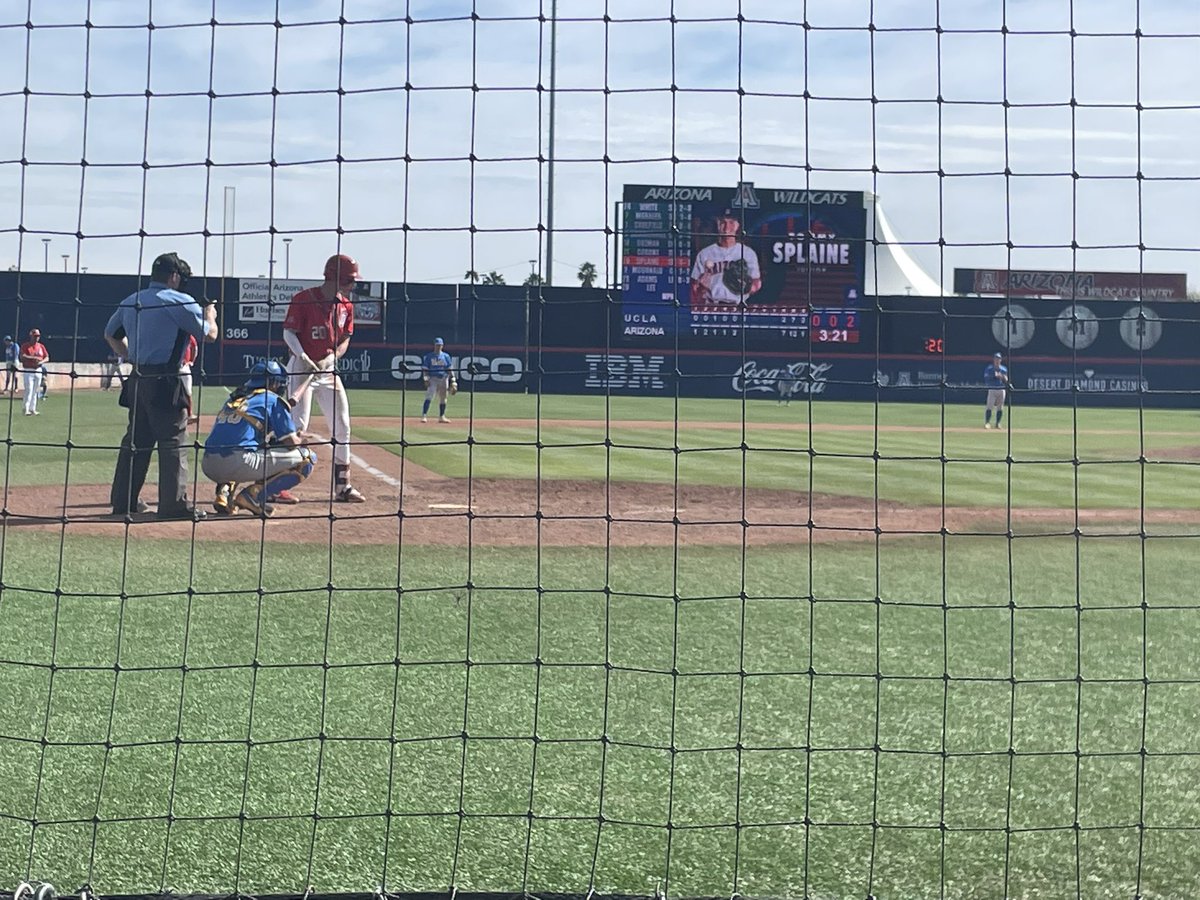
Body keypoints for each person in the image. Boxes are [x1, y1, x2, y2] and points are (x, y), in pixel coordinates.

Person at [104, 252, 218, 520]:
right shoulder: (179, 301)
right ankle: (174, 506)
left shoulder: (132, 300)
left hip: (137, 377)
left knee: (136, 441)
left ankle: (123, 502)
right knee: (173, 441)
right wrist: (210, 314)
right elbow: (209, 335)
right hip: (166, 379)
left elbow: (110, 333)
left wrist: (129, 355)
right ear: (174, 277)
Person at [281, 252, 365, 503]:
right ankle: (277, 485)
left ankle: (343, 486)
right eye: (349, 281)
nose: (352, 286)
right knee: (296, 427)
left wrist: (333, 358)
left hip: (328, 370)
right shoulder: (304, 299)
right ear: (334, 278)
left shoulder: (346, 306)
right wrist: (303, 356)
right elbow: (289, 333)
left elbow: (345, 339)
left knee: (343, 426)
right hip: (302, 368)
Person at [202, 360, 317, 517]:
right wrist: (299, 439)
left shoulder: (235, 397)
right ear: (273, 383)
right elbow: (290, 443)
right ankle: (254, 496)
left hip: (208, 464)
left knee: (250, 442)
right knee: (308, 457)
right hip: (237, 462)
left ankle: (224, 493)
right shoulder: (271, 399)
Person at [690, 208, 763, 305]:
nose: (727, 228)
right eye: (723, 222)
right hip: (712, 306)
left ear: (738, 225)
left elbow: (756, 283)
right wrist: (702, 288)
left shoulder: (748, 253)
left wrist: (743, 288)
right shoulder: (705, 254)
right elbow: (694, 289)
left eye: (731, 222)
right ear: (717, 224)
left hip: (739, 305)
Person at [420, 337, 456, 423]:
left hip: (444, 378)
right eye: (437, 345)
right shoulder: (429, 356)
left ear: (442, 346)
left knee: (443, 398)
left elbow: (449, 368)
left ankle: (441, 416)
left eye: (440, 345)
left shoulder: (446, 356)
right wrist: (426, 379)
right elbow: (425, 369)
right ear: (434, 345)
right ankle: (424, 416)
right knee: (429, 396)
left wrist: (453, 380)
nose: (438, 347)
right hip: (433, 379)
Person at [19, 328, 48, 416]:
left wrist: (41, 362)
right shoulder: (25, 346)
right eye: (35, 336)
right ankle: (26, 408)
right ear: (31, 336)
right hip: (29, 370)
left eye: (38, 336)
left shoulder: (41, 346)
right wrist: (33, 358)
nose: (36, 338)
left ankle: (33, 409)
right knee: (29, 389)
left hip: (38, 370)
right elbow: (22, 356)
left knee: (35, 390)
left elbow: (47, 357)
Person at [983, 351, 1009, 430]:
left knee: (1000, 407)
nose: (997, 360)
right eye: (996, 358)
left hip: (1001, 389)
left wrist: (1003, 377)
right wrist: (994, 376)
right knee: (989, 406)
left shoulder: (1004, 369)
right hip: (992, 388)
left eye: (999, 358)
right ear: (993, 359)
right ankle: (987, 423)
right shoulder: (990, 368)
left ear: (1001, 360)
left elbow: (1006, 379)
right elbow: (986, 378)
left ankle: (998, 423)